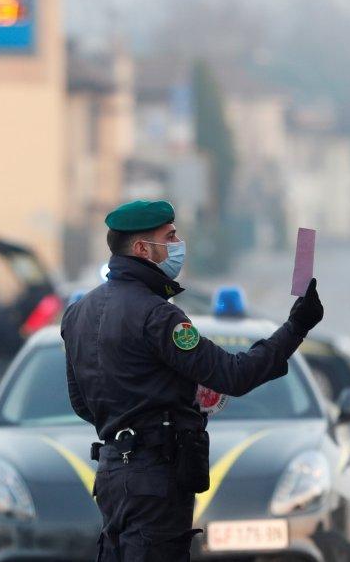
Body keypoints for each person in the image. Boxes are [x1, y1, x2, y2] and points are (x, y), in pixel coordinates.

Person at [61, 200, 324, 561]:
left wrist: (128, 420)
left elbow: (81, 401)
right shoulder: (158, 316)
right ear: (142, 249)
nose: (178, 243)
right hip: (155, 479)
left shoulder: (77, 313)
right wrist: (297, 326)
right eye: (169, 237)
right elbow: (234, 374)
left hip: (111, 473)